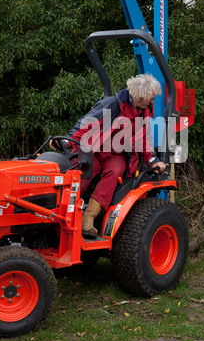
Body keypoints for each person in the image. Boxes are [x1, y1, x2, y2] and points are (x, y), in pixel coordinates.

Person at [51, 74, 166, 238]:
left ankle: (87, 219)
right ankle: (61, 217)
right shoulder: (112, 104)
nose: (152, 102)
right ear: (141, 95)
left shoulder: (143, 113)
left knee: (116, 171)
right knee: (79, 175)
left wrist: (153, 160)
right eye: (150, 98)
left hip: (117, 154)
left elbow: (144, 139)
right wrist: (67, 141)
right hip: (96, 150)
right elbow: (87, 124)